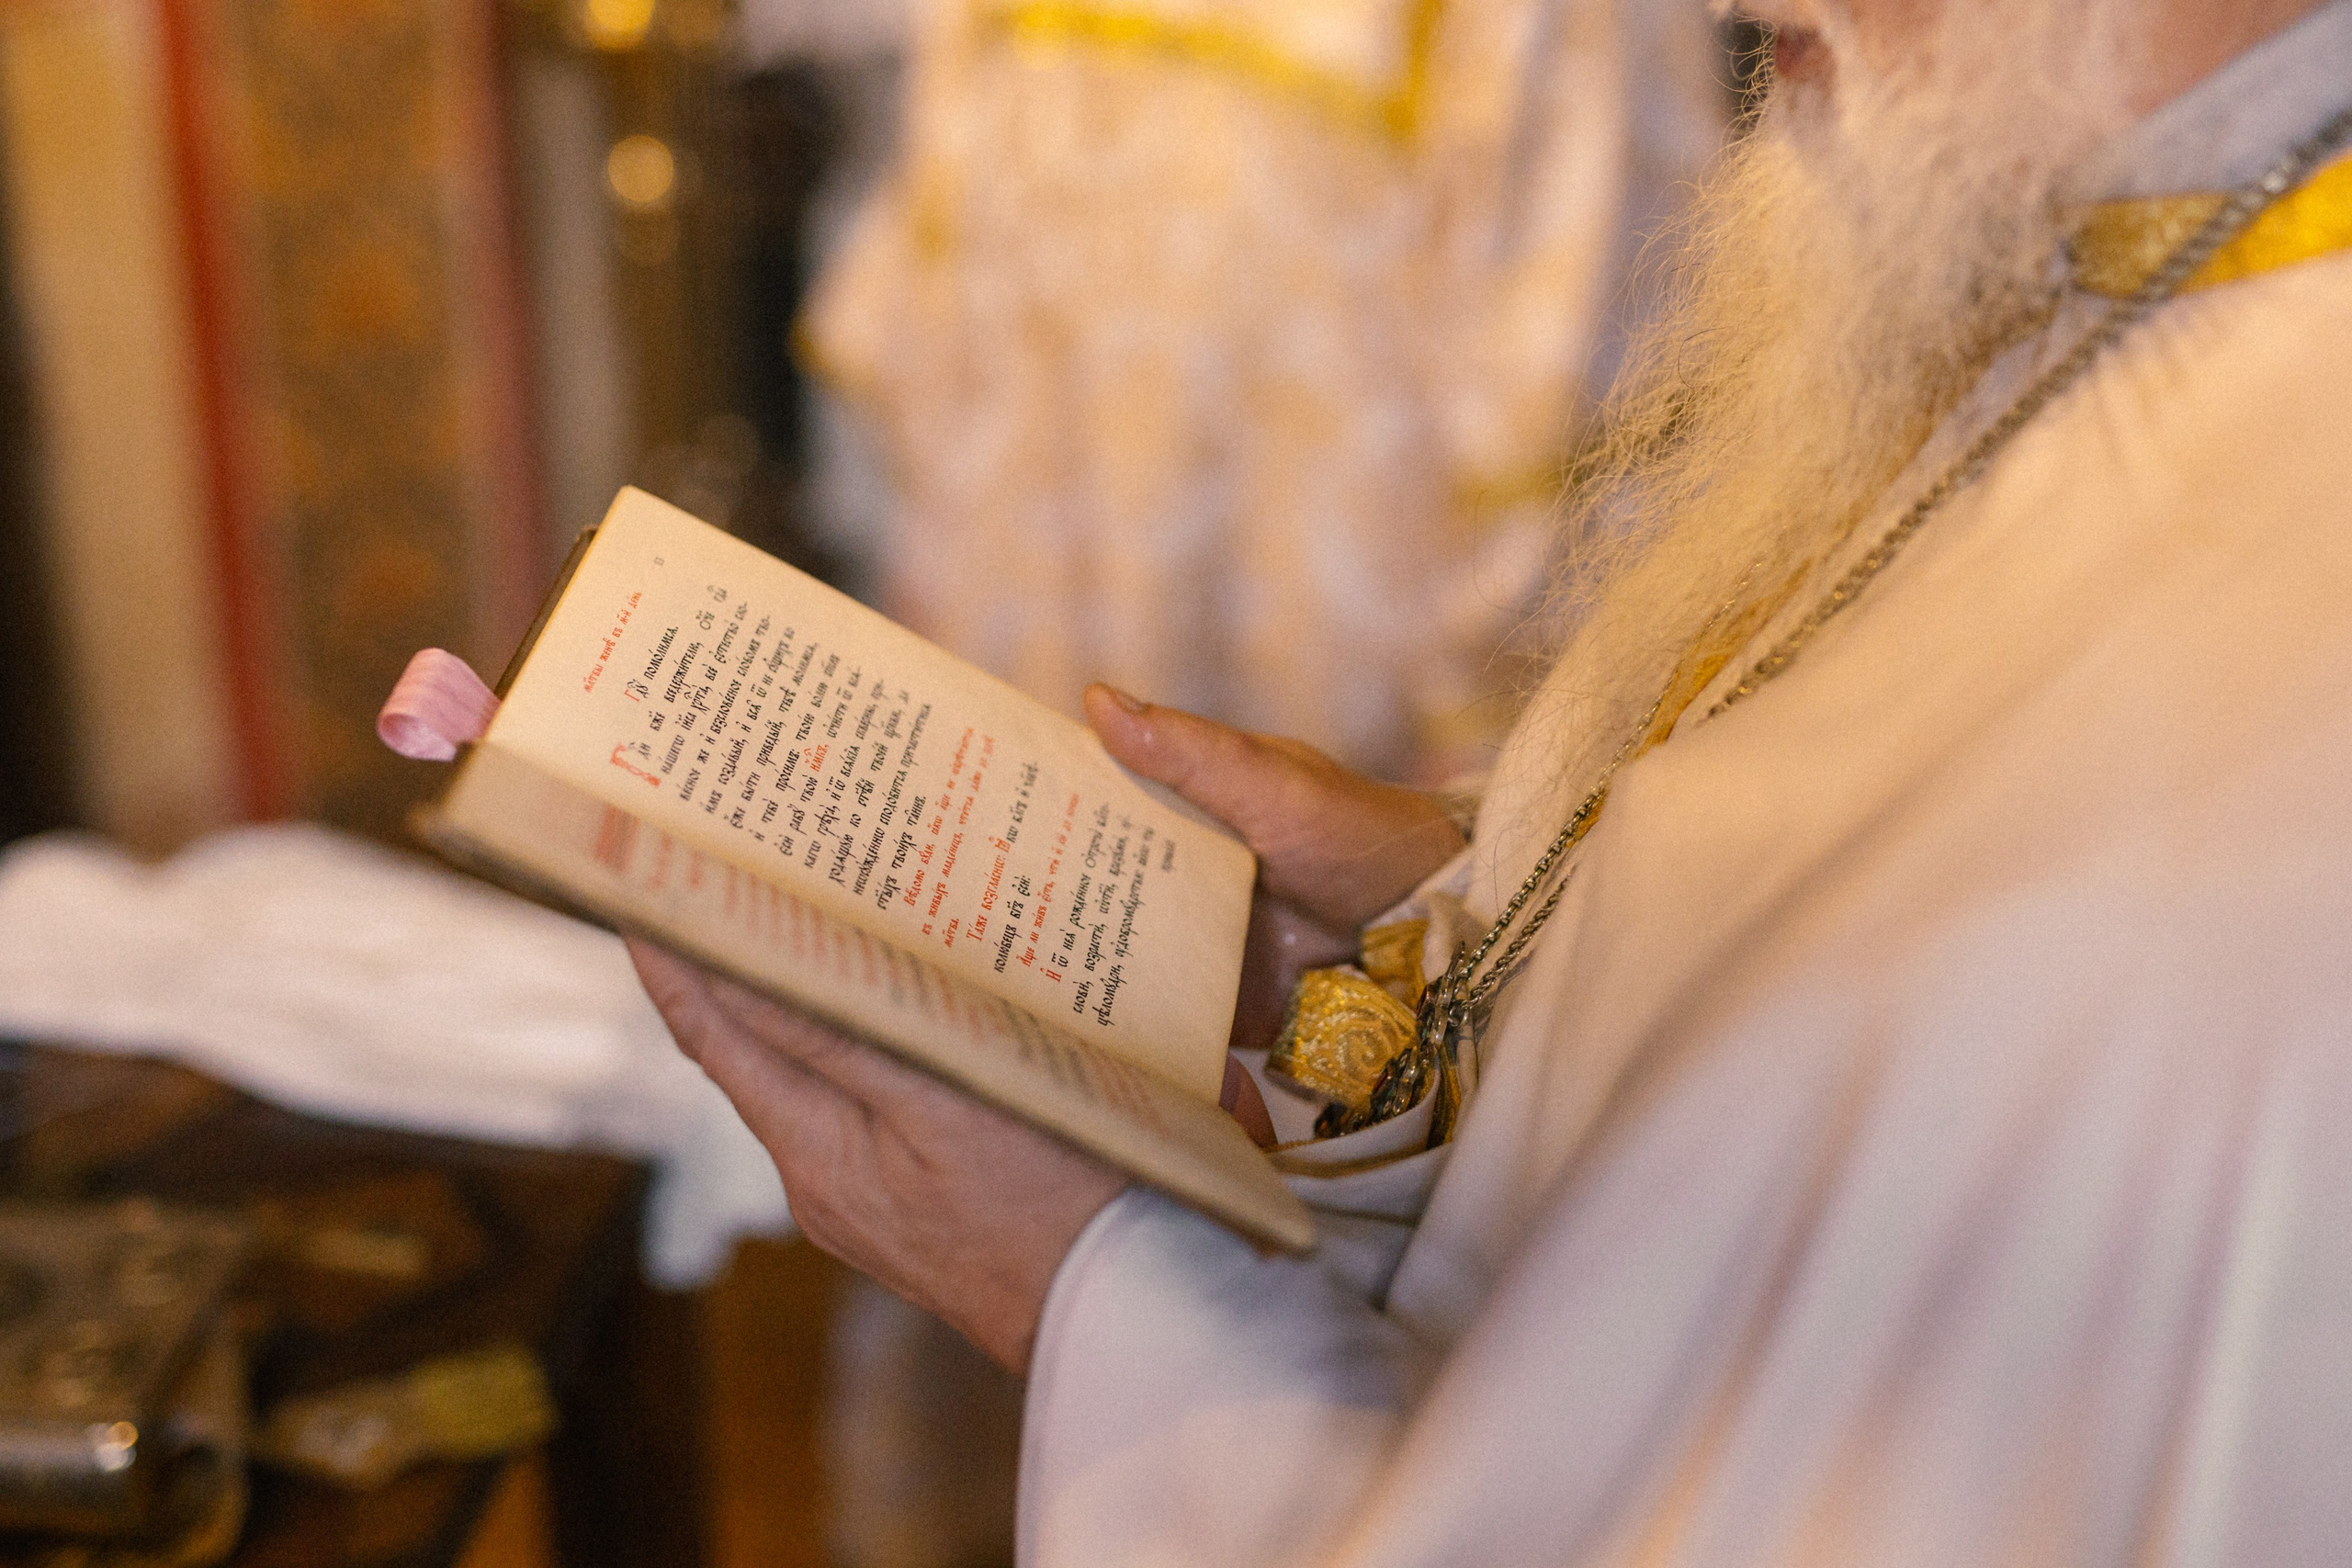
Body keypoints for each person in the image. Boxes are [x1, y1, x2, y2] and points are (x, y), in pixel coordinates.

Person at [633, 0, 2352, 1562]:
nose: (1732, 17)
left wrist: (1101, 1284)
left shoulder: (2241, 772)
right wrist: (1461, 920)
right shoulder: (2155, 241)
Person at [801, 0, 1727, 773]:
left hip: (1349, 701)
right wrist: (925, 566)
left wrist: (1478, 753)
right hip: (1023, 610)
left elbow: (1569, 326)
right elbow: (943, 198)